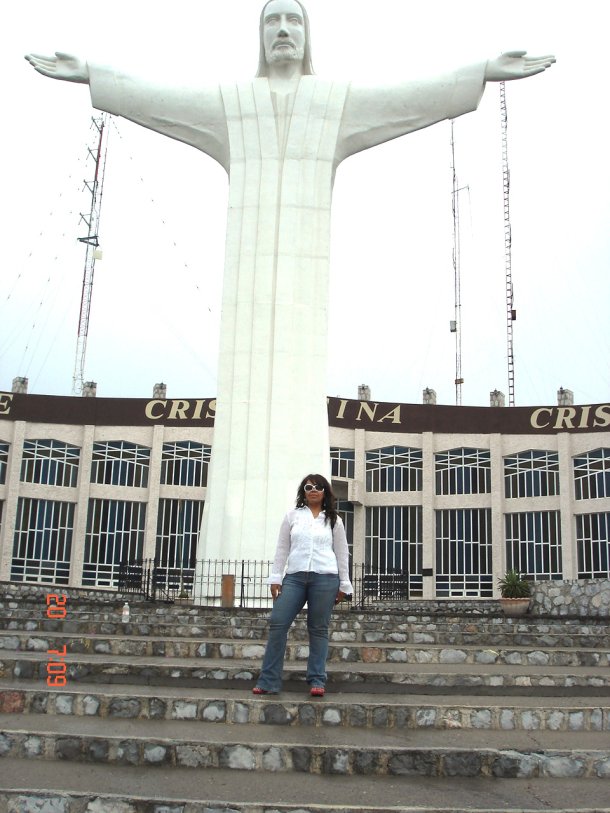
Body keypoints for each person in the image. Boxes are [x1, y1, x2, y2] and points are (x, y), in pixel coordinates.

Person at [24, 2, 556, 567]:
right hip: (246, 306)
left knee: (298, 411)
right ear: (259, 36)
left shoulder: (334, 103)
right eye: (272, 20)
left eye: (293, 20)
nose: (283, 30)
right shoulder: (233, 103)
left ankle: (300, 577)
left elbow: (408, 96)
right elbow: (158, 96)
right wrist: (93, 73)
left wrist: (479, 71)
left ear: (308, 35)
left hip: (304, 311)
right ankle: (234, 573)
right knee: (241, 426)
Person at [253, 473, 353, 696]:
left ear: (325, 491)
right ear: (304, 492)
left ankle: (317, 680)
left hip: (325, 578)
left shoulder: (334, 520)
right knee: (278, 622)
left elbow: (341, 552)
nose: (313, 490)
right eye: (309, 487)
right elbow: (282, 549)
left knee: (318, 628)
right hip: (295, 578)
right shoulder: (292, 516)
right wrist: (276, 577)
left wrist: (344, 584)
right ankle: (269, 680)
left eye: (318, 487)